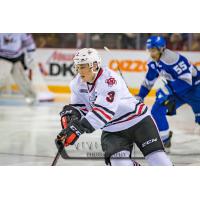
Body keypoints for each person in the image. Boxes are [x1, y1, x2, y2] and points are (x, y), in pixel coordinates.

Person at [56, 48, 172, 166]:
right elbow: (82, 108)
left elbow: (103, 113)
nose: (79, 71)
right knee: (120, 164)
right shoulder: (76, 84)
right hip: (113, 131)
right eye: (78, 66)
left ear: (95, 65)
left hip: (139, 122)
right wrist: (72, 116)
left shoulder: (110, 80)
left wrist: (77, 129)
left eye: (83, 66)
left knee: (159, 162)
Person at [136, 36, 200, 148]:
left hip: (195, 90)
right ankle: (165, 139)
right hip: (177, 91)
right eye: (149, 50)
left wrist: (167, 90)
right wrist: (140, 96)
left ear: (161, 49)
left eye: (154, 50)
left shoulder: (172, 59)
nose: (151, 53)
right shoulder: (153, 62)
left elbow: (187, 81)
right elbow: (149, 81)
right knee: (157, 109)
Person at [0, 33, 36, 104]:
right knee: (1, 76)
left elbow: (30, 44)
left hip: (17, 59)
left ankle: (32, 98)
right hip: (3, 58)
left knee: (22, 81)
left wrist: (32, 57)